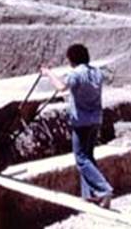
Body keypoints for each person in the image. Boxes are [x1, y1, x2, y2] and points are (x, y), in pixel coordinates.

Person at [41, 43, 114, 208]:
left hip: (81, 121)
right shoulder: (96, 72)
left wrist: (48, 73)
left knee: (81, 158)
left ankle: (104, 190)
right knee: (88, 156)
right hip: (96, 119)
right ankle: (90, 195)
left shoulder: (76, 73)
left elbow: (61, 87)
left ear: (72, 59)